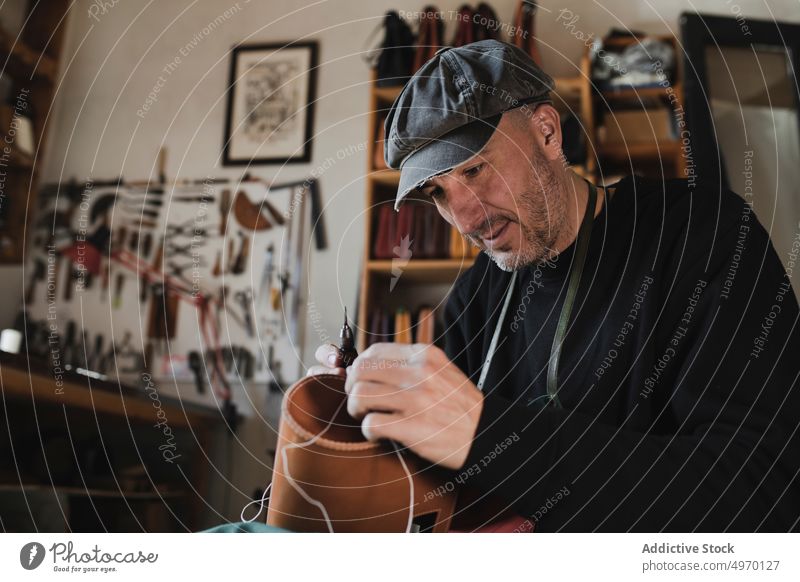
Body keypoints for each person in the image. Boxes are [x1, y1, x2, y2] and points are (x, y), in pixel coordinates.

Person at [309, 39, 800, 531]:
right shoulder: (477, 295)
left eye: (475, 169)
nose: (465, 219)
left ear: (546, 132)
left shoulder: (704, 238)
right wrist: (369, 408)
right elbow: (433, 474)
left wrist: (487, 433)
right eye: (437, 193)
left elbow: (761, 489)